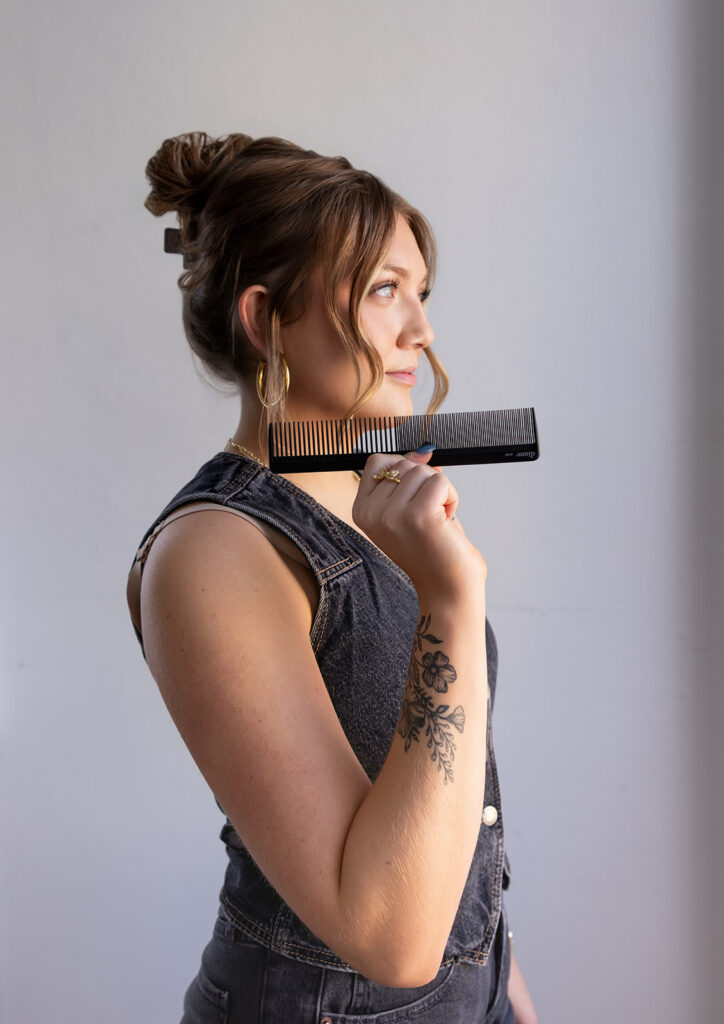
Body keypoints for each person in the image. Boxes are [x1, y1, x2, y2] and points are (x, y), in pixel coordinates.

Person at [126, 131, 537, 1024]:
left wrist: (507, 993)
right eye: (384, 291)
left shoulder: (381, 503)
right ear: (267, 319)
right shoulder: (214, 553)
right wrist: (453, 603)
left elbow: (452, 808)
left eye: (420, 293)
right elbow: (389, 938)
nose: (421, 332)